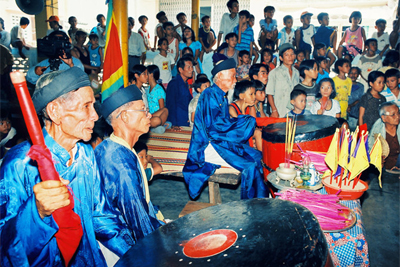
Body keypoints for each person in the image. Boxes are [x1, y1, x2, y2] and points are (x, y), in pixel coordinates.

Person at [0, 67, 133, 266]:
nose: (95, 116)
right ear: (55, 112)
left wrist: (136, 252)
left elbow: (100, 216)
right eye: (86, 106)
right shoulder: (21, 164)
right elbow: (6, 246)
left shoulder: (85, 153)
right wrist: (36, 212)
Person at [182, 58, 268, 200]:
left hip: (220, 141)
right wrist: (243, 123)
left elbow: (224, 123)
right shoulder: (209, 95)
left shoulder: (221, 96)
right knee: (250, 165)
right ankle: (251, 205)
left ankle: (262, 199)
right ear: (220, 76)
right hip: (209, 145)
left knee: (258, 156)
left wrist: (240, 123)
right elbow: (215, 129)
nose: (235, 80)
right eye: (232, 76)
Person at [95, 85, 165, 249]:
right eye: (143, 110)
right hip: (121, 241)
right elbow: (138, 221)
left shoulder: (111, 146)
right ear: (125, 116)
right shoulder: (120, 163)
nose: (149, 115)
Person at [266, 43, 300, 118]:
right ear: (281, 58)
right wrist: (274, 110)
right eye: (286, 55)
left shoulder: (297, 73)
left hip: (293, 111)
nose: (290, 57)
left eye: (292, 54)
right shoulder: (274, 73)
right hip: (279, 111)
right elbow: (269, 94)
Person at [229, 80, 263, 151]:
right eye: (251, 94)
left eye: (254, 94)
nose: (254, 97)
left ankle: (262, 158)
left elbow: (253, 125)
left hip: (245, 134)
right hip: (235, 139)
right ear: (241, 96)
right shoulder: (231, 108)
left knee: (258, 132)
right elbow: (241, 128)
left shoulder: (250, 106)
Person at [368, 102, 400, 173]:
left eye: (398, 113)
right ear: (383, 118)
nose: (397, 117)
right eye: (393, 115)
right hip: (384, 170)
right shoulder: (377, 130)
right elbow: (371, 149)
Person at [166, 56, 194, 127]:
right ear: (180, 70)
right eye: (189, 67)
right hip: (178, 121)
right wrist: (174, 124)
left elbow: (190, 102)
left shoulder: (185, 83)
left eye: (192, 67)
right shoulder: (174, 83)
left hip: (186, 118)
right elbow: (171, 105)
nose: (191, 70)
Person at [146, 64, 171, 133]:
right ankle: (157, 126)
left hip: (156, 116)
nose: (145, 76)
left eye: (146, 73)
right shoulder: (148, 89)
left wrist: (151, 115)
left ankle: (155, 126)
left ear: (151, 75)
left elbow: (162, 108)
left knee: (158, 118)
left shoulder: (159, 89)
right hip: (149, 116)